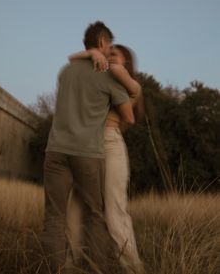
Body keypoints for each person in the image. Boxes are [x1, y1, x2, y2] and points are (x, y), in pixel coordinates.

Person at [40, 21, 135, 274]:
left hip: (55, 151)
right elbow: (128, 113)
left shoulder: (65, 71)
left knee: (54, 216)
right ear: (103, 42)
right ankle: (97, 269)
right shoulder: (106, 73)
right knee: (95, 214)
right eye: (109, 45)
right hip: (87, 154)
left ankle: (61, 270)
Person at [67, 44, 145, 274]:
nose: (107, 57)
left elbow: (119, 73)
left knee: (115, 213)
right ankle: (69, 266)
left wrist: (105, 61)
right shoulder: (99, 83)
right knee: (74, 208)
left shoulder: (130, 84)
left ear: (126, 61)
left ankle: (134, 269)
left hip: (110, 145)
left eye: (114, 54)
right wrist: (92, 53)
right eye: (106, 53)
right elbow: (72, 59)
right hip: (87, 148)